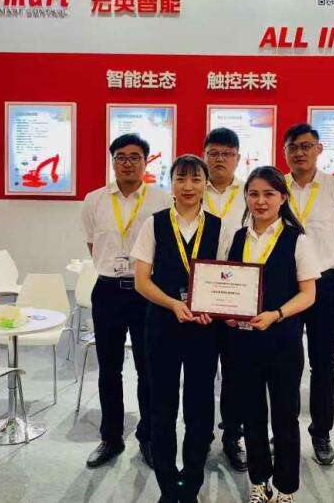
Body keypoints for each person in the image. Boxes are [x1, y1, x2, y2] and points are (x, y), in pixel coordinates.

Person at [132, 154, 228, 503]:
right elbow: (142, 281)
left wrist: (212, 308)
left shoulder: (218, 226)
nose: (188, 186)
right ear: (170, 184)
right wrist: (173, 303)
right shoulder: (154, 224)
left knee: (200, 404)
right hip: (162, 323)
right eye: (181, 179)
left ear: (205, 184)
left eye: (196, 179)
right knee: (162, 403)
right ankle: (168, 485)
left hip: (204, 327)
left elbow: (227, 279)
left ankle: (192, 481)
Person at [226, 166, 320, 503]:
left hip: (283, 341)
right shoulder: (238, 238)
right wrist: (228, 312)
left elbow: (308, 295)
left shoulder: (298, 240)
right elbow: (229, 286)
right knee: (251, 415)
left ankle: (285, 487)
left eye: (268, 194)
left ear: (282, 197)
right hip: (244, 342)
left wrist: (277, 314)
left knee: (285, 417)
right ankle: (259, 481)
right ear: (246, 198)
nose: (261, 201)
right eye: (253, 194)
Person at [81, 133, 172, 469]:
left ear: (146, 162)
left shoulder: (162, 200)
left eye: (135, 156)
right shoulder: (94, 200)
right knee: (109, 368)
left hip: (146, 292)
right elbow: (93, 245)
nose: (127, 162)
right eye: (121, 156)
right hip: (107, 291)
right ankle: (111, 437)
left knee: (149, 369)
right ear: (113, 161)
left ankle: (148, 437)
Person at [282, 123, 334, 465]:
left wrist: (318, 261)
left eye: (306, 146)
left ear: (318, 149)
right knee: (283, 361)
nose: (300, 152)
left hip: (325, 284)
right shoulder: (276, 186)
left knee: (322, 361)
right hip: (283, 285)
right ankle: (283, 431)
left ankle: (321, 433)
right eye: (293, 147)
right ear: (285, 152)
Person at [201, 127, 247, 472]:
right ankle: (201, 434)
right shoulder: (191, 188)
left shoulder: (250, 192)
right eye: (214, 153)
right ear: (205, 155)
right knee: (201, 371)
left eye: (227, 154)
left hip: (237, 294)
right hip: (200, 293)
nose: (220, 159)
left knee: (236, 371)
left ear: (238, 158)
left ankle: (233, 435)